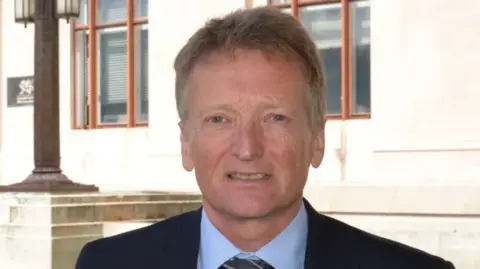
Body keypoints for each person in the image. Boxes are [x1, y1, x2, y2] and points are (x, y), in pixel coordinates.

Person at [75, 6, 455, 269]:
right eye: (219, 119)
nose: (247, 148)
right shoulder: (107, 263)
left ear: (317, 139)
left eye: (275, 117)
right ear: (186, 144)